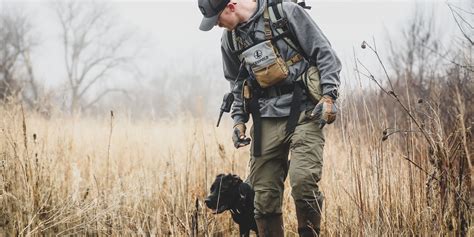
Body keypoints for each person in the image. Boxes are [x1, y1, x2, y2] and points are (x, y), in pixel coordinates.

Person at [198, 0, 341, 236]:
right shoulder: (230, 40)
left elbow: (325, 54)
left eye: (218, 20)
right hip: (265, 119)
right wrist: (239, 121)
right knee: (262, 198)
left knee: (304, 181)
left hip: (304, 110)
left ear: (231, 6)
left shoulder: (286, 13)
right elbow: (236, 83)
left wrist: (329, 96)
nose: (218, 26)